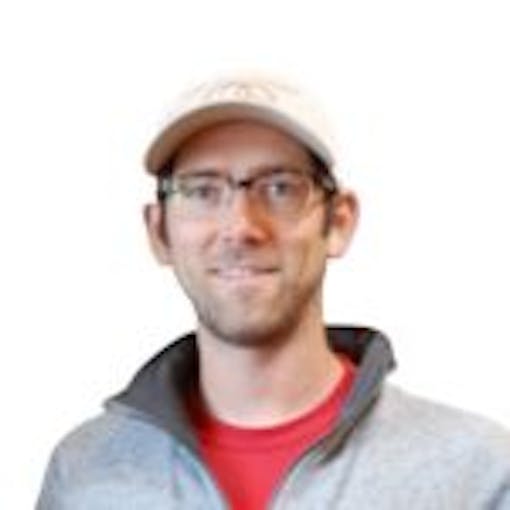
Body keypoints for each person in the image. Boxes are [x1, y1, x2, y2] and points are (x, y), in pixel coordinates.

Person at [37, 73, 510, 510]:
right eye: (202, 191)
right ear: (159, 232)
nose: (241, 226)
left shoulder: (477, 474)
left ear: (339, 222)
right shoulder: (84, 475)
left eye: (281, 188)